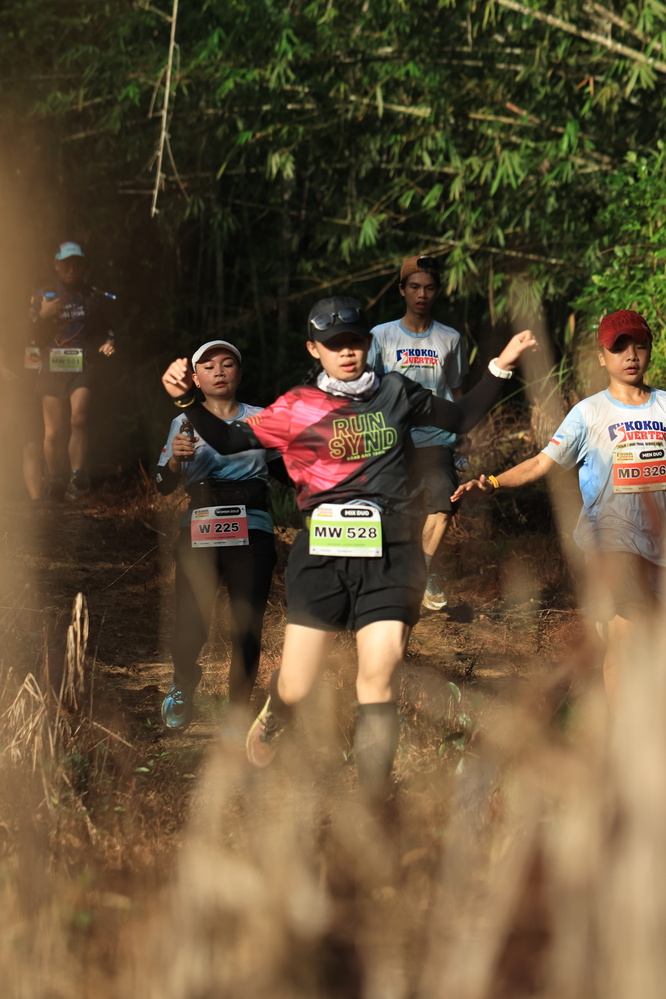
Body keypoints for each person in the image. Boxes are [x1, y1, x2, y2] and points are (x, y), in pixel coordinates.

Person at [161, 297, 536, 799]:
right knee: (297, 682)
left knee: (379, 678)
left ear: (368, 343)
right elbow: (230, 441)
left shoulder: (396, 391)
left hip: (391, 554)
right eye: (334, 344)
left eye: (355, 341)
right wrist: (187, 402)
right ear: (314, 349)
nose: (347, 351)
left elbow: (461, 416)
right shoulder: (297, 407)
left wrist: (500, 366)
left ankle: (374, 801)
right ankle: (278, 708)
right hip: (323, 557)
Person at [451, 309, 664, 706]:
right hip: (611, 542)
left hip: (660, 545)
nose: (631, 355)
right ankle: (620, 729)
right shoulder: (588, 413)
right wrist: (492, 483)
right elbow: (540, 464)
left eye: (639, 346)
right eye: (619, 348)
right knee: (628, 635)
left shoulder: (664, 406)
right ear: (601, 356)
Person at [156, 339, 284, 732]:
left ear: (239, 373)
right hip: (200, 528)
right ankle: (184, 681)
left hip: (253, 526)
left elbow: (286, 473)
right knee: (191, 622)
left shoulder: (262, 418)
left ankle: (237, 712)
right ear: (195, 379)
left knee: (247, 624)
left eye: (227, 364)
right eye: (208, 367)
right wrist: (175, 460)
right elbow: (162, 484)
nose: (219, 372)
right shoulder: (183, 421)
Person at [368, 254, 468, 611]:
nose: (421, 294)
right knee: (397, 513)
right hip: (393, 440)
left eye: (428, 287)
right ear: (402, 290)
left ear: (437, 291)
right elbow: (367, 389)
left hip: (437, 439)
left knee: (444, 502)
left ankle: (422, 572)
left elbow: (455, 390)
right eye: (414, 287)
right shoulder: (381, 336)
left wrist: (463, 435)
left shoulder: (450, 338)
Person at [29, 241, 116, 501]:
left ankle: (78, 479)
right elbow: (25, 331)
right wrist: (42, 315)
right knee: (52, 432)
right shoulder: (43, 294)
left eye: (76, 263)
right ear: (56, 265)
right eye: (66, 263)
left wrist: (110, 342)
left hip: (82, 365)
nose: (71, 269)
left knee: (78, 420)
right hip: (51, 366)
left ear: (83, 265)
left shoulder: (92, 295)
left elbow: (108, 327)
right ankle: (54, 480)